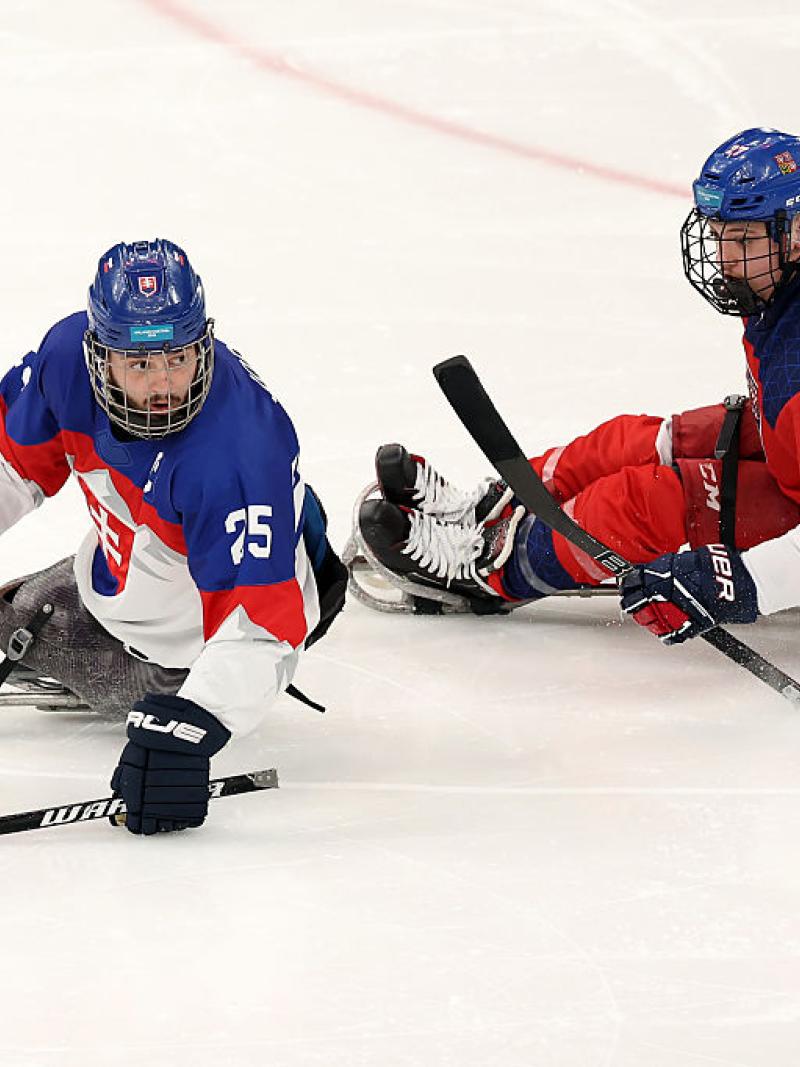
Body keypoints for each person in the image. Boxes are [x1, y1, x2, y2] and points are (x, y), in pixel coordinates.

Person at [354, 127, 800, 644]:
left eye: (743, 240)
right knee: (639, 440)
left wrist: (747, 582)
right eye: (719, 234)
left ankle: (487, 573)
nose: (723, 258)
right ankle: (498, 509)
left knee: (640, 503)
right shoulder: (779, 289)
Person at [0, 239, 346, 834]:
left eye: (179, 359)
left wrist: (192, 723)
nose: (165, 384)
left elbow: (261, 626)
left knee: (27, 617)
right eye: (140, 365)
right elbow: (10, 465)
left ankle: (167, 669)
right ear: (99, 357)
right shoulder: (64, 361)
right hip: (157, 553)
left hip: (225, 604)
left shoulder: (234, 452)